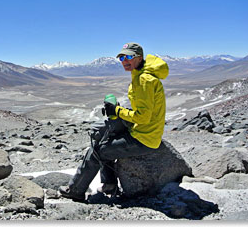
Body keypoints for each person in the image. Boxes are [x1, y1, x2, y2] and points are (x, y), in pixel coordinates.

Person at [59, 42, 169, 201]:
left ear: (139, 58)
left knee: (98, 151)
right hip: (142, 129)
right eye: (122, 57)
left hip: (144, 138)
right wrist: (119, 111)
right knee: (102, 133)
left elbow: (143, 117)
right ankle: (109, 184)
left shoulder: (144, 80)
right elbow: (143, 112)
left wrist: (116, 111)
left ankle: (75, 190)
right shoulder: (140, 74)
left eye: (129, 57)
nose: (125, 60)